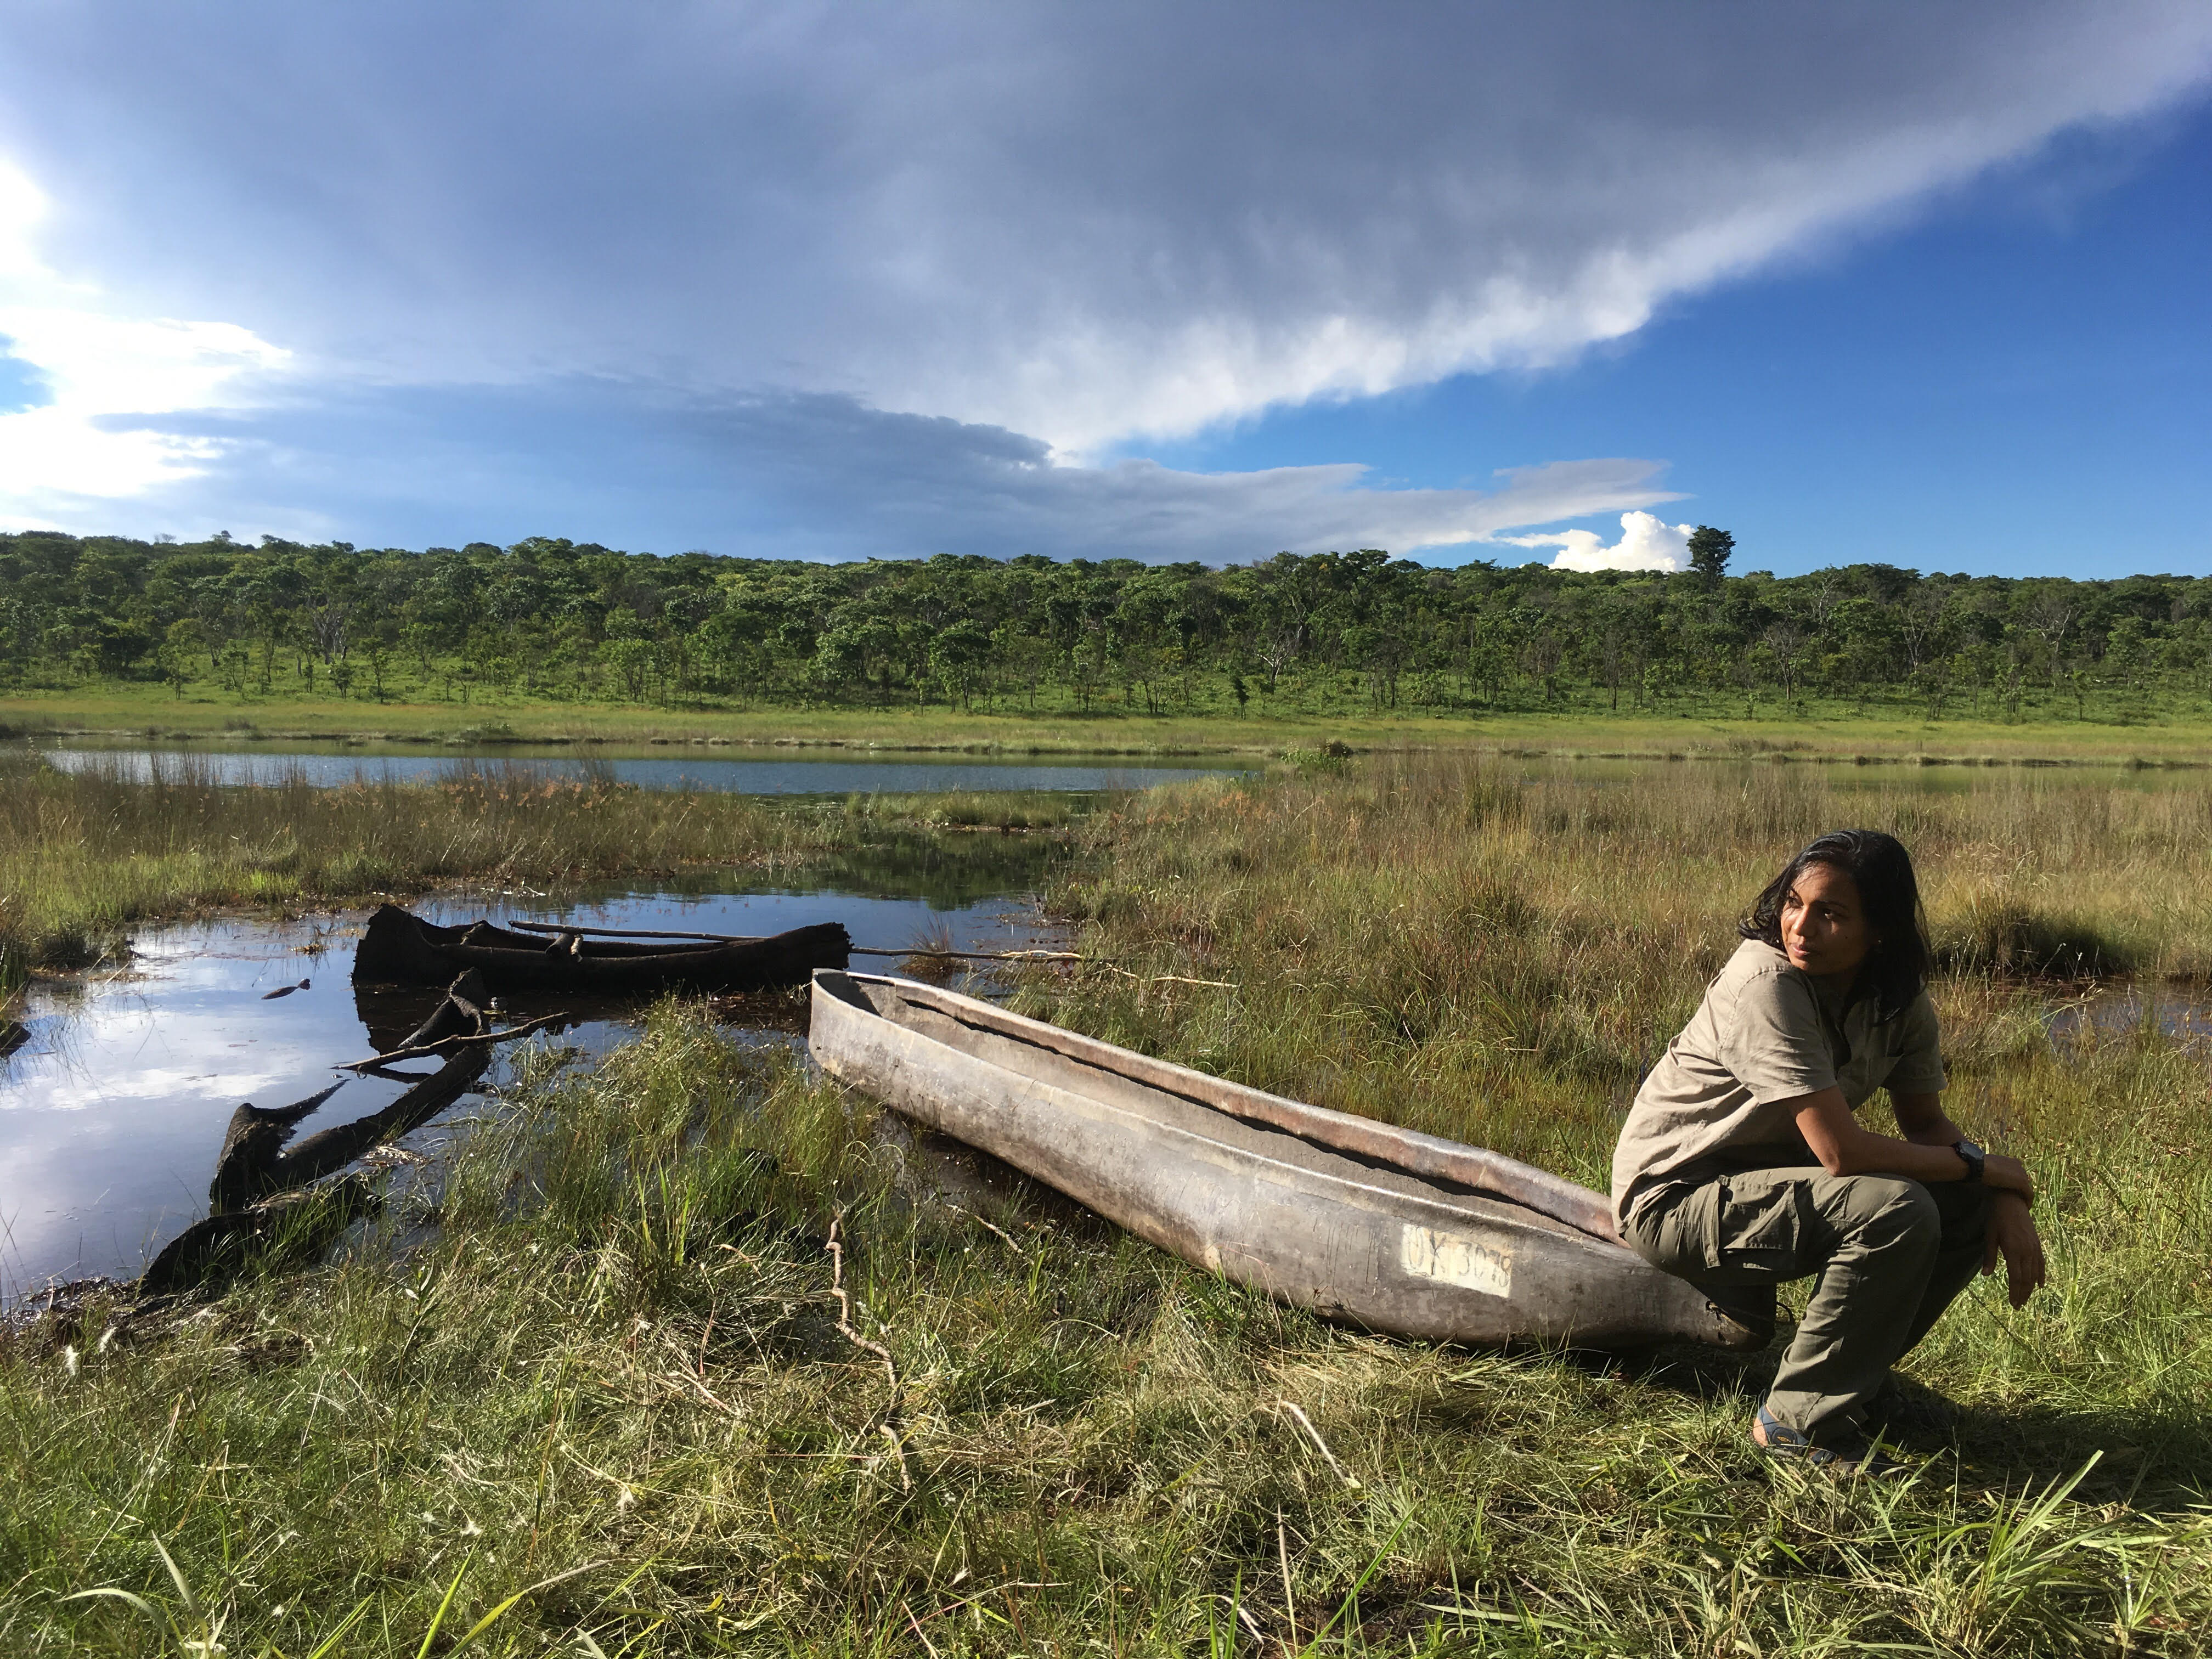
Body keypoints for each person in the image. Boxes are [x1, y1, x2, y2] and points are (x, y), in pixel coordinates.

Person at [1611, 828, 2046, 1472]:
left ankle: (1854, 1384)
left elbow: (1926, 1124)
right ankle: (1796, 1424)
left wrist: (1996, 1191)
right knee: (1894, 1209)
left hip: (1768, 1185)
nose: (1800, 927)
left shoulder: (1897, 1000)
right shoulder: (1767, 983)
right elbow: (1841, 1154)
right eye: (1793, 902)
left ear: (1880, 933)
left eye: (1831, 914)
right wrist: (1982, 1166)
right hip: (1674, 1198)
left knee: (1954, 1201)